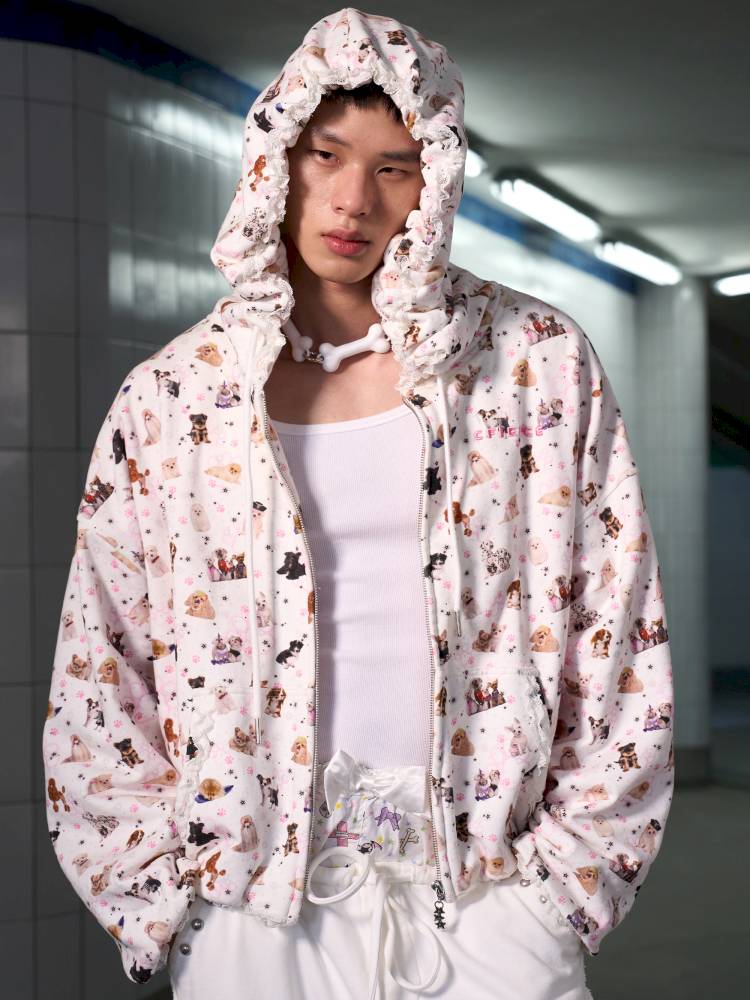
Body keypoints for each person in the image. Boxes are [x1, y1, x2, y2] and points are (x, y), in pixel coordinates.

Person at [41, 8, 675, 1000]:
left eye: (394, 166)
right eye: (326, 154)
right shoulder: (174, 398)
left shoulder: (535, 365)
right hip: (254, 913)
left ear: (436, 179)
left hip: (488, 903)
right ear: (275, 159)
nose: (353, 199)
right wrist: (175, 907)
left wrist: (557, 898)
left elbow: (619, 634)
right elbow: (100, 665)